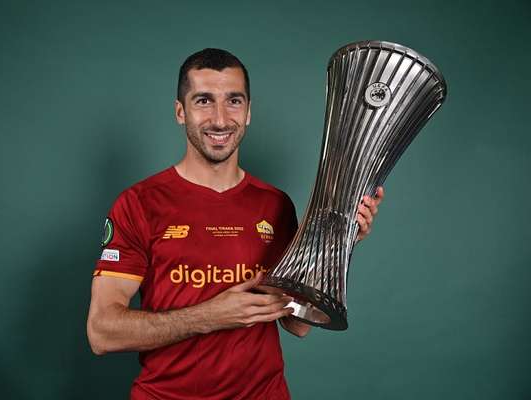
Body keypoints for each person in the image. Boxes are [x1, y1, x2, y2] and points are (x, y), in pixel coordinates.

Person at [86, 48, 384, 400]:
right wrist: (209, 316)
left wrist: (337, 240)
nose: (220, 119)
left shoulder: (275, 205)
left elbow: (297, 323)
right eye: (203, 101)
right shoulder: (139, 203)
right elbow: (102, 332)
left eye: (233, 101)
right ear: (180, 112)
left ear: (248, 112)